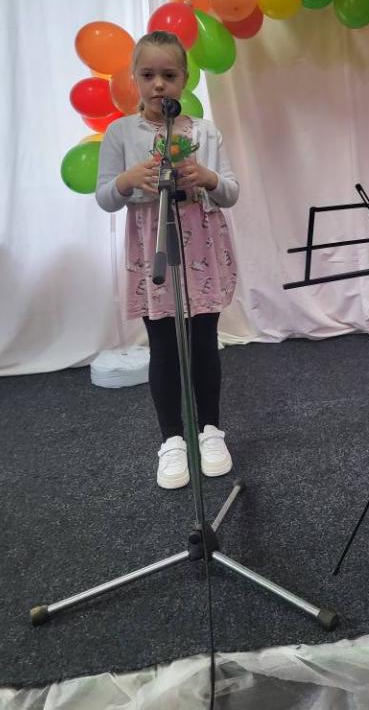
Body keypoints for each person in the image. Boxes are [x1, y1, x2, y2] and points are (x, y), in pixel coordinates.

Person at [96, 30, 239, 489]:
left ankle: (210, 431)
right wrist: (127, 180)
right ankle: (172, 440)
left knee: (204, 342)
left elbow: (231, 192)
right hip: (152, 247)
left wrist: (208, 177)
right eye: (148, 75)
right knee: (162, 345)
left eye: (169, 75)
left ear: (185, 79)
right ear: (135, 79)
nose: (159, 84)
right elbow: (104, 197)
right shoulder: (121, 133)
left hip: (202, 247)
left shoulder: (205, 131)